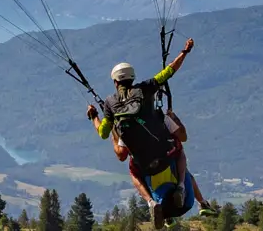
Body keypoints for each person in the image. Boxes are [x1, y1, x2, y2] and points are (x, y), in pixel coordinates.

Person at [85, 39, 211, 227]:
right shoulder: (145, 88)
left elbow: (103, 132)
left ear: (115, 81)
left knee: (133, 174)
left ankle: (151, 202)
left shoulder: (110, 102)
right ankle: (182, 186)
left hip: (142, 162)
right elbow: (169, 71)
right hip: (166, 152)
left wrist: (94, 116)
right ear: (132, 78)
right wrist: (184, 52)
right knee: (180, 149)